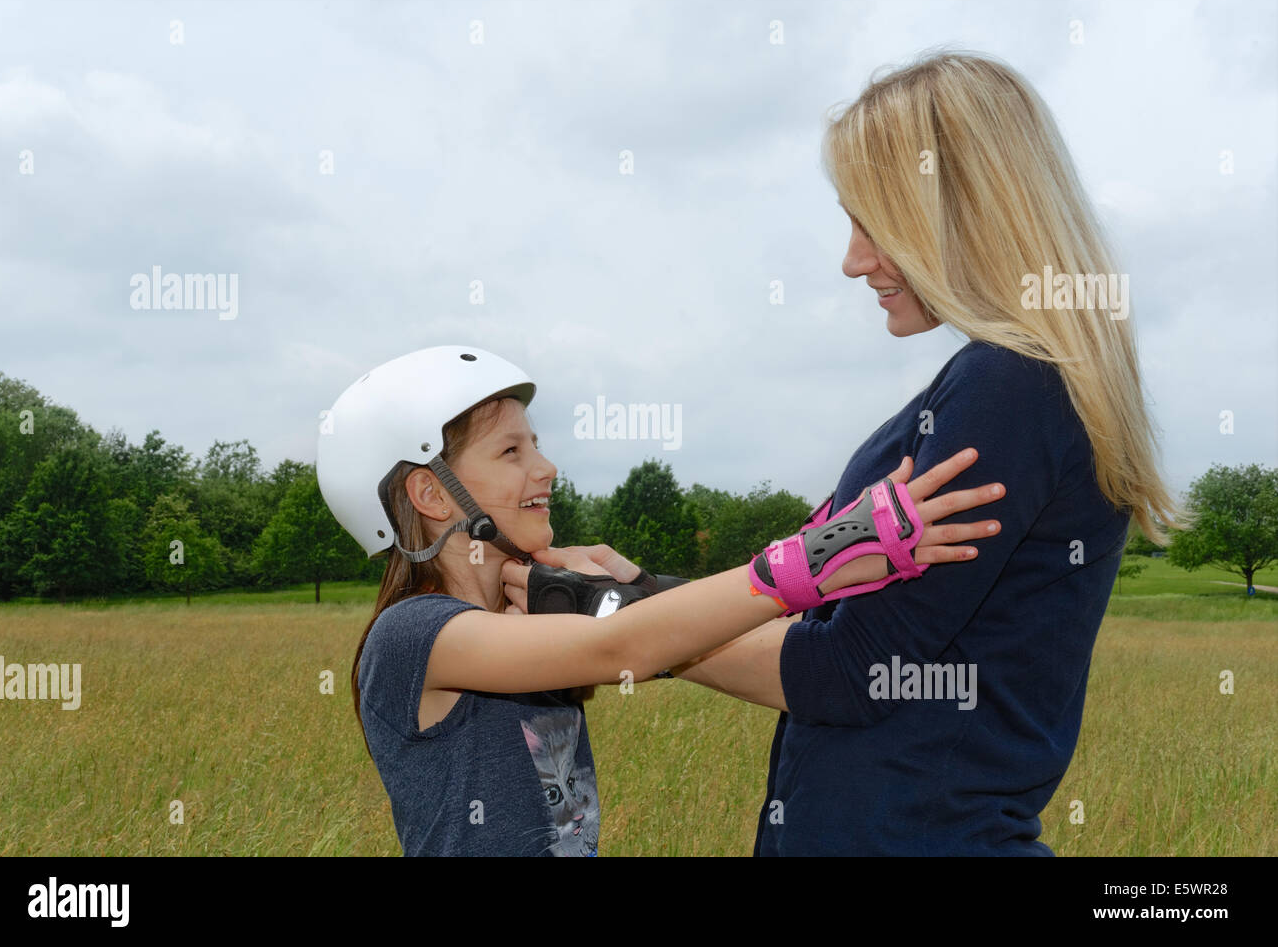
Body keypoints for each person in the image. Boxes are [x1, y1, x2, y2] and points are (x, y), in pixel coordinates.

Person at [503, 51, 1180, 856]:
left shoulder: (1011, 387)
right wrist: (639, 591)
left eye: (874, 222)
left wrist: (612, 620)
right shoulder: (1011, 384)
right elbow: (833, 623)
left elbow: (847, 671)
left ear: (964, 209)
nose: (853, 260)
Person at [316, 345, 1006, 856]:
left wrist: (626, 592)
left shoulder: (517, 618)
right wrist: (820, 558)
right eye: (510, 452)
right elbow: (620, 647)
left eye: (538, 444)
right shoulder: (416, 636)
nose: (545, 467)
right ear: (430, 494)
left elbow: (666, 637)